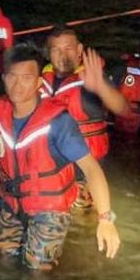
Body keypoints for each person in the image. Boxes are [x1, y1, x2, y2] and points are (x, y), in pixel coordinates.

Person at [0, 44, 121, 270]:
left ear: (38, 83)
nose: (17, 85)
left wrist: (105, 219)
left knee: (37, 272)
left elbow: (91, 168)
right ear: (4, 79)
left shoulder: (58, 123)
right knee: (3, 262)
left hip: (49, 209)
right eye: (12, 77)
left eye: (26, 77)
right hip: (11, 205)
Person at [41, 25, 128, 209]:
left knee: (81, 227)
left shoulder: (92, 77)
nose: (62, 55)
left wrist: (100, 87)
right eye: (56, 50)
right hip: (50, 169)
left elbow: (123, 109)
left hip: (84, 171)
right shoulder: (39, 78)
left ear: (79, 50)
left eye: (68, 49)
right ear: (48, 53)